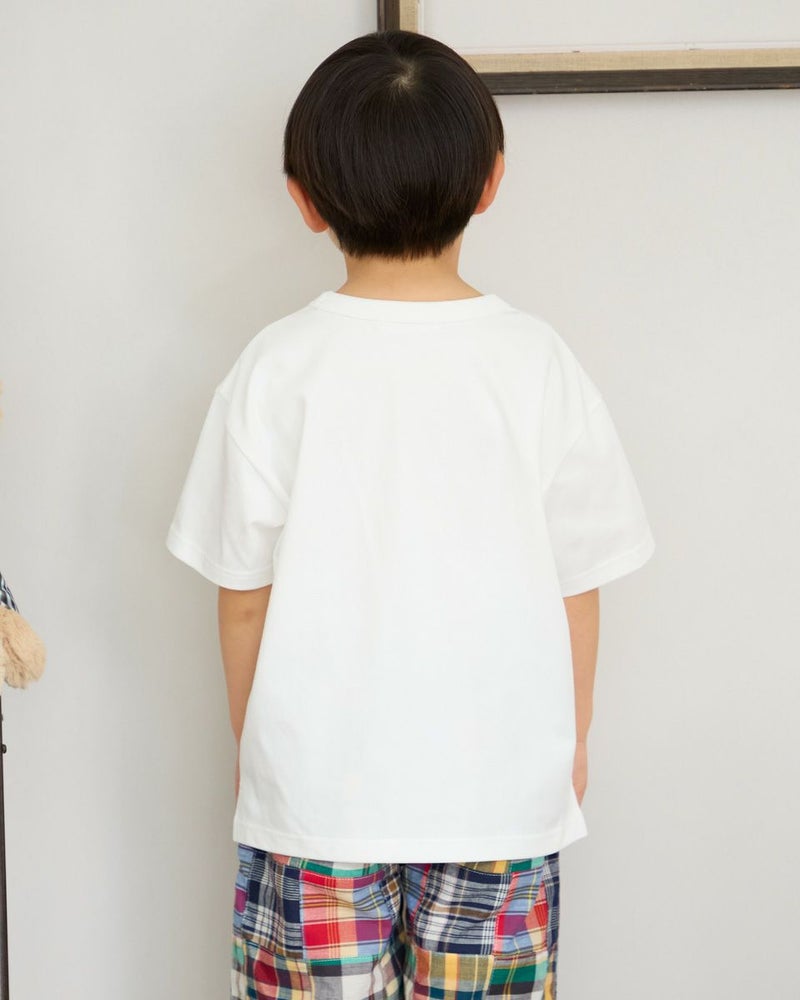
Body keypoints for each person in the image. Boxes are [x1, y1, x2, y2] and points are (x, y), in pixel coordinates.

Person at [165, 28, 655, 1000]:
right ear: (492, 181)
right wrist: (573, 742)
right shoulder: (537, 363)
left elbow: (243, 595)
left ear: (304, 198)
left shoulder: (275, 368)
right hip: (498, 800)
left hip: (316, 803)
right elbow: (578, 584)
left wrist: (256, 750)